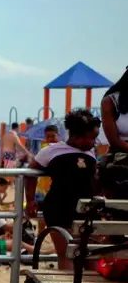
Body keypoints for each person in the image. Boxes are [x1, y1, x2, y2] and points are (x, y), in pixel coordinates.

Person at [82, 69, 128, 283]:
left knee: (116, 247)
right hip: (121, 175)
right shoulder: (112, 100)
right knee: (117, 248)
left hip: (119, 177)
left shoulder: (111, 100)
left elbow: (113, 141)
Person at [25, 109, 100, 273]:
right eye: (91, 138)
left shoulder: (90, 153)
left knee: (91, 255)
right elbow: (30, 175)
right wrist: (30, 200)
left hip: (86, 209)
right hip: (59, 208)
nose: (95, 142)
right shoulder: (52, 151)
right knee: (66, 254)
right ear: (76, 137)